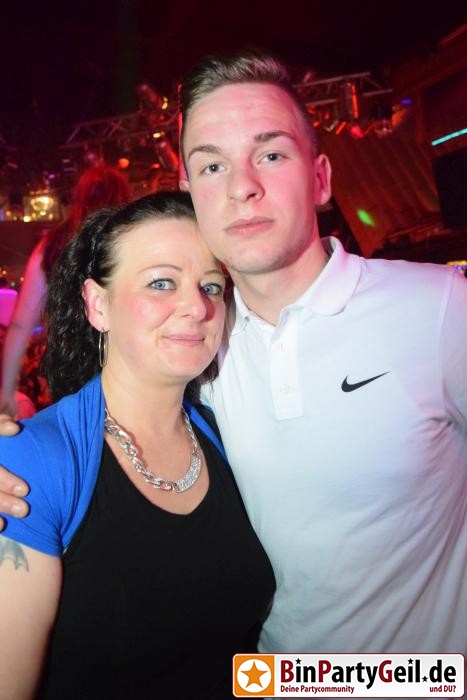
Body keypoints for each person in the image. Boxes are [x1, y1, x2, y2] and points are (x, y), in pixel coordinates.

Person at [1, 49, 466, 658]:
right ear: (190, 191)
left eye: (271, 154)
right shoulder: (196, 345)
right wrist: (18, 456)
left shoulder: (439, 309)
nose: (243, 186)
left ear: (321, 178)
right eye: (212, 164)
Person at [0, 191, 275, 699]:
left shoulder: (228, 433)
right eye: (161, 282)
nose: (197, 306)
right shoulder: (32, 464)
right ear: (97, 304)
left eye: (211, 285)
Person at [0, 163, 131, 417]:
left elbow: (19, 325)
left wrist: (7, 391)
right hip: (127, 364)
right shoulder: (133, 241)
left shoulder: (51, 246)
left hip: (72, 372)